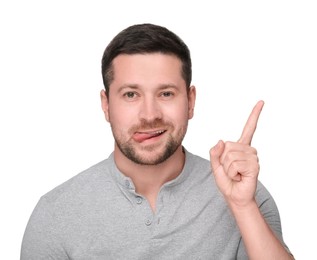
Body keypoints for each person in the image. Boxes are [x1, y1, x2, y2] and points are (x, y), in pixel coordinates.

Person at [21, 23, 294, 259]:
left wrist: (243, 207)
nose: (149, 115)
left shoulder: (248, 197)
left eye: (165, 94)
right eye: (130, 95)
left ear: (190, 102)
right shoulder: (55, 214)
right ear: (106, 105)